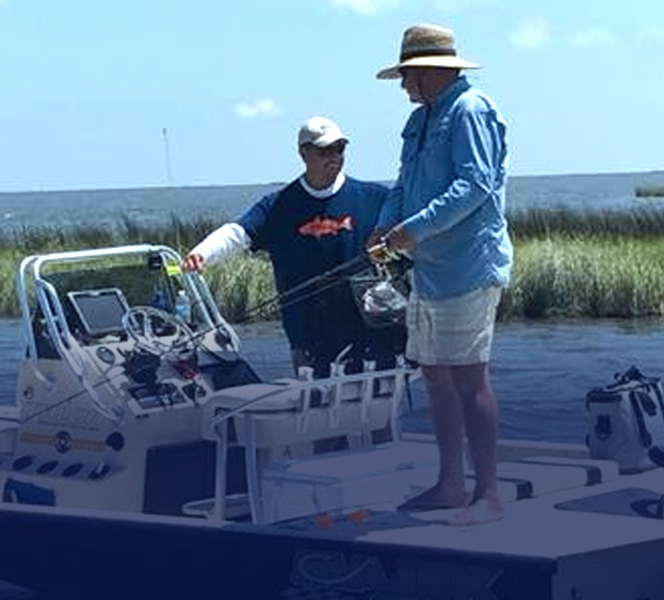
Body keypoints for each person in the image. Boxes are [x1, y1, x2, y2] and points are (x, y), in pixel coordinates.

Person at [369, 23, 513, 525]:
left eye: (408, 76)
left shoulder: (470, 111)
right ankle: (451, 483)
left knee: (470, 377)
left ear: (430, 72)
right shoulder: (421, 118)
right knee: (434, 375)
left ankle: (488, 494)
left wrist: (413, 230)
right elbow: (404, 181)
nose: (404, 86)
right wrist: (386, 225)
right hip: (429, 271)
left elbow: (475, 186)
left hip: (470, 266)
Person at [183, 116, 402, 378]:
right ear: (303, 153)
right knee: (317, 403)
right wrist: (202, 253)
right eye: (324, 151)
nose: (334, 156)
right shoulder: (278, 205)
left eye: (339, 149)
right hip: (306, 331)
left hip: (369, 328)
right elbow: (239, 232)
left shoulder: (375, 198)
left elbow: (413, 227)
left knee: (375, 405)